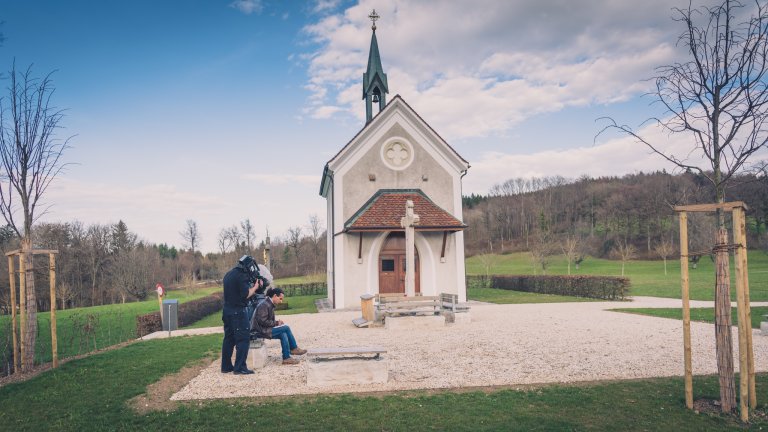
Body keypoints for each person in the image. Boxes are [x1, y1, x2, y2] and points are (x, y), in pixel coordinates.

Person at [221, 255, 262, 375]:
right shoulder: (241, 276)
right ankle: (240, 367)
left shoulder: (228, 274)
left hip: (227, 311)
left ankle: (226, 366)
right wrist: (255, 287)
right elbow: (245, 294)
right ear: (248, 266)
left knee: (229, 338)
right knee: (243, 339)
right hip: (238, 312)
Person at [251, 287, 307, 365]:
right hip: (259, 331)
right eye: (280, 298)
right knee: (286, 328)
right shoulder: (264, 304)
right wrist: (276, 323)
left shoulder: (268, 303)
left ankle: (286, 358)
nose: (281, 301)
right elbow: (262, 321)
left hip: (263, 329)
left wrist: (277, 322)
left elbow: (264, 320)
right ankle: (294, 348)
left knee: (283, 334)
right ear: (274, 296)